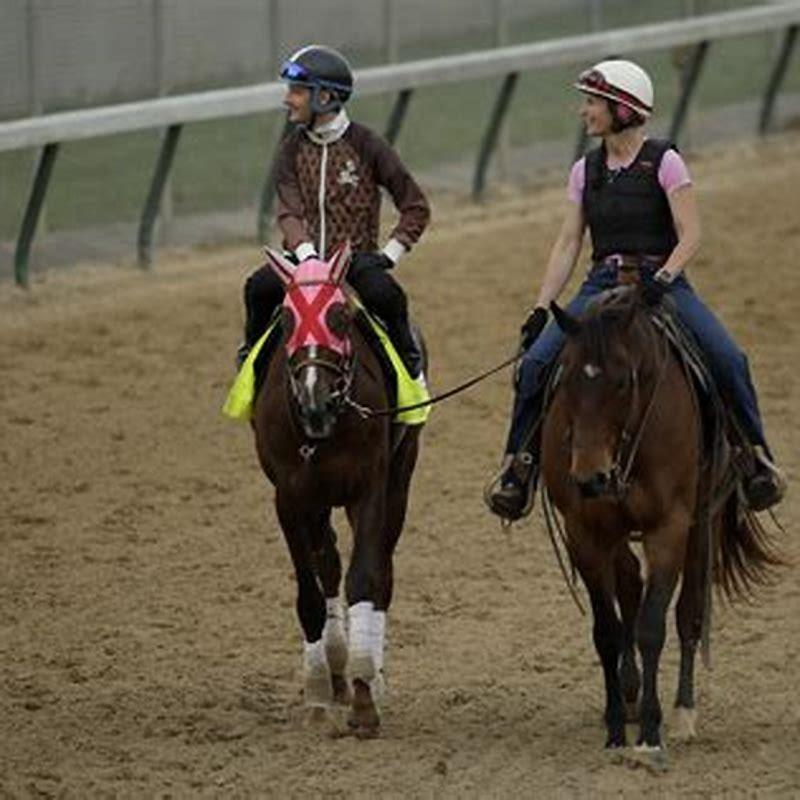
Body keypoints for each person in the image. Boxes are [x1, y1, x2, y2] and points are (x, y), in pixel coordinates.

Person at [485, 59, 786, 521]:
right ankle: (517, 469)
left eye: (592, 103)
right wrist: (541, 307)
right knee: (536, 366)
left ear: (621, 110)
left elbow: (691, 234)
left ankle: (754, 459)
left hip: (661, 284)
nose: (584, 112)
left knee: (728, 358)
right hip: (602, 281)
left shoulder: (665, 161)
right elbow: (569, 242)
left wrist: (662, 279)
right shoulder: (584, 171)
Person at [239, 44, 430, 379]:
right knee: (258, 288)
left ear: (324, 97)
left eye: (296, 91)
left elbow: (415, 207)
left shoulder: (368, 145)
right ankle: (251, 363)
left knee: (387, 297)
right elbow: (288, 212)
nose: (287, 99)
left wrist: (388, 256)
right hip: (302, 263)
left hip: (354, 266)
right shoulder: (290, 150)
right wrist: (308, 255)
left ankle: (411, 371)